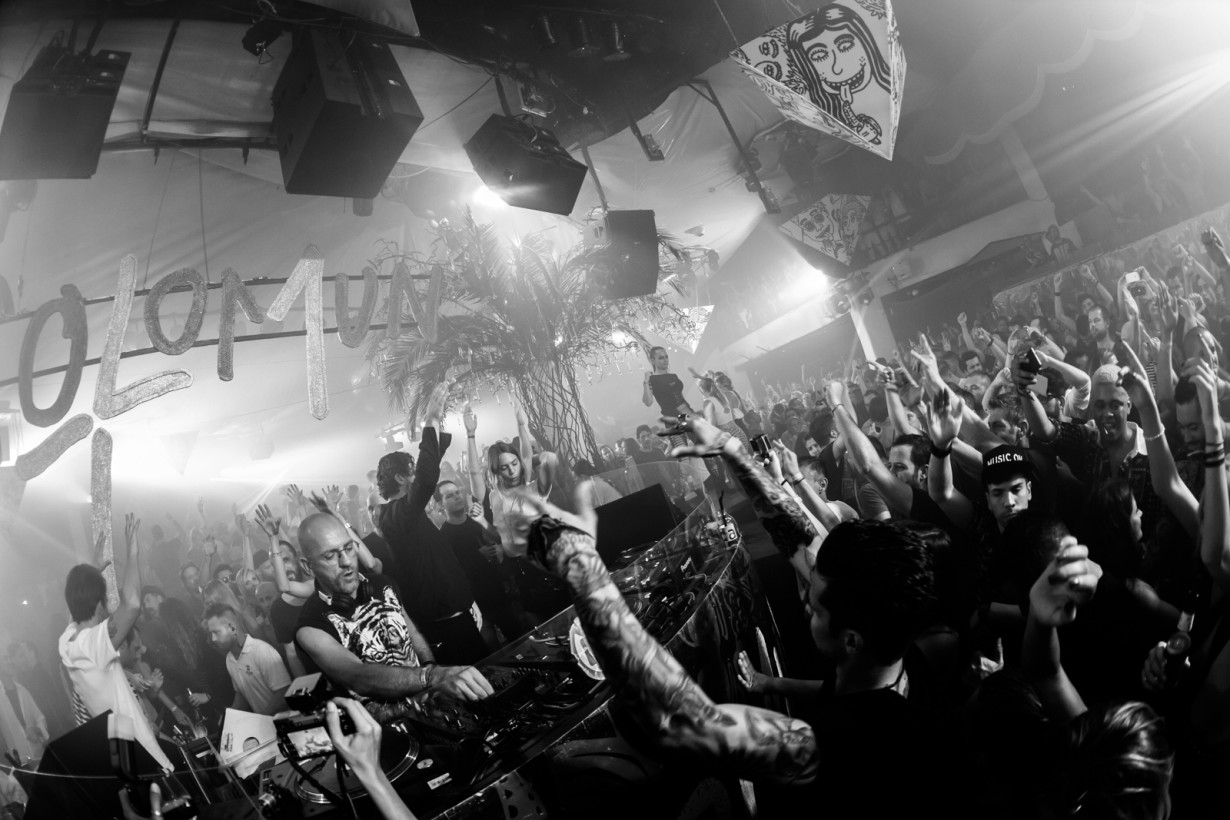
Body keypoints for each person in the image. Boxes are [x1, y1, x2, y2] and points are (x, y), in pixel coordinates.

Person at [508, 419, 948, 816]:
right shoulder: (902, 658)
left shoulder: (831, 747)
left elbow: (681, 722)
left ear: (851, 639)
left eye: (815, 606)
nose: (806, 605)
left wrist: (581, 567)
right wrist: (733, 451)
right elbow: (800, 541)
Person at [293, 513, 493, 718]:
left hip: (430, 706)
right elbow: (357, 676)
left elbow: (412, 634)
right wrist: (432, 677)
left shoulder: (383, 585)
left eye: (349, 548)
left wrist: (430, 671)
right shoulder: (310, 627)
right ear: (307, 566)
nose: (346, 562)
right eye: (330, 556)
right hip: (385, 728)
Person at [376, 386, 486, 665]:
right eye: (411, 473)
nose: (416, 477)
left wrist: (438, 424)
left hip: (456, 613)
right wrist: (430, 420)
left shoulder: (404, 513)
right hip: (445, 624)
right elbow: (426, 479)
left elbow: (428, 470)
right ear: (400, 478)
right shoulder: (394, 516)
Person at [58, 516, 172, 771]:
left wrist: (94, 571)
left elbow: (75, 610)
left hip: (123, 756)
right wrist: (133, 552)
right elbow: (132, 603)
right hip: (144, 756)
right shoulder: (94, 645)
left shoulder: (67, 642)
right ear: (100, 604)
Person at [434, 480, 530, 647]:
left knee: (522, 642)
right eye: (449, 496)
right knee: (493, 651)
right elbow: (452, 573)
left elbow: (500, 539)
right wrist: (477, 555)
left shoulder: (476, 520)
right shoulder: (443, 537)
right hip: (477, 604)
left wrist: (485, 526)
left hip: (501, 595)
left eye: (457, 492)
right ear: (440, 505)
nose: (457, 497)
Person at [203, 604, 290, 716]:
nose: (213, 639)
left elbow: (284, 691)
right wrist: (230, 718)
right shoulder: (229, 659)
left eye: (216, 632)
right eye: (211, 634)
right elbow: (242, 693)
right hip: (266, 723)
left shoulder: (261, 650)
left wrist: (261, 719)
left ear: (232, 628)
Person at [0, 652, 47, 765]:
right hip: (18, 761)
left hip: (39, 753)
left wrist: (36, 730)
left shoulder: (23, 690)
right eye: (6, 658)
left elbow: (40, 718)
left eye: (10, 658)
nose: (10, 662)